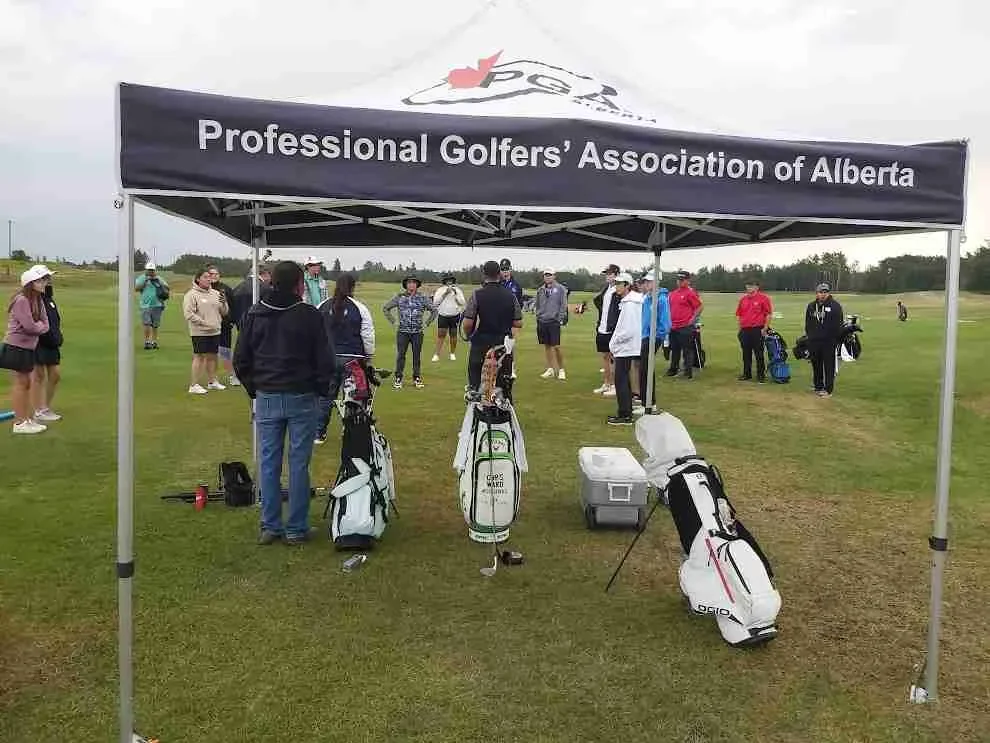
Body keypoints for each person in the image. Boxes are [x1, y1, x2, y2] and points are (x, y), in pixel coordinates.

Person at [233, 260, 336, 545]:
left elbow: (241, 359)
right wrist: (319, 389)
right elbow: (325, 359)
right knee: (299, 463)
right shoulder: (309, 315)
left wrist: (255, 388)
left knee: (269, 462)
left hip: (268, 395)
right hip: (301, 395)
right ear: (299, 285)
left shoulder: (255, 313)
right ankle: (295, 528)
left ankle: (271, 526)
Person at [315, 273, 376, 445]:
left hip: (328, 359)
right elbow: (367, 335)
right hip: (353, 359)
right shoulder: (360, 308)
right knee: (353, 397)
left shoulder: (322, 306)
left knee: (325, 397)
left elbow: (314, 333)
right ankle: (350, 430)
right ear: (352, 287)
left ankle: (319, 432)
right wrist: (369, 356)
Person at [1, 265, 51, 434]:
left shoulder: (38, 300)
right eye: (39, 281)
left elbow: (46, 324)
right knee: (21, 383)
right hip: (16, 346)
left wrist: (39, 327)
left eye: (43, 280)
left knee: (26, 383)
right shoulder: (22, 300)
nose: (43, 283)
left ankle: (25, 419)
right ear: (30, 284)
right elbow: (30, 326)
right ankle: (20, 423)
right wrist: (39, 327)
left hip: (28, 347)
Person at [462, 260, 523, 393]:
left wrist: (469, 336)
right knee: (503, 384)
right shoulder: (511, 296)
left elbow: (468, 323)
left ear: (484, 274)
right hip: (502, 344)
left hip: (481, 343)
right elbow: (518, 322)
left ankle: (475, 397)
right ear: (499, 274)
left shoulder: (477, 294)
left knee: (475, 382)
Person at [383, 275, 436, 389]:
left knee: (416, 356)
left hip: (417, 332)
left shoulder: (422, 298)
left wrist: (427, 323)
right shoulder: (399, 297)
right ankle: (398, 378)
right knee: (401, 355)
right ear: (406, 285)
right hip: (403, 332)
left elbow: (434, 311)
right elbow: (386, 308)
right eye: (409, 282)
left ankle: (416, 377)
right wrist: (393, 321)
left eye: (414, 282)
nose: (411, 285)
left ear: (417, 285)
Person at [182, 268, 228, 394]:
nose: (209, 279)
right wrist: (205, 323)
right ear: (198, 279)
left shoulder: (216, 293)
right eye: (205, 277)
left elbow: (224, 312)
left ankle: (213, 382)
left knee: (213, 356)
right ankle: (194, 385)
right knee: (200, 356)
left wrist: (224, 303)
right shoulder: (191, 295)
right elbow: (189, 314)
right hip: (199, 332)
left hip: (215, 331)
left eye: (210, 277)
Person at [606, 273, 642, 425]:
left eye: (620, 284)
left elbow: (628, 330)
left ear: (627, 285)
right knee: (623, 379)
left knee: (621, 380)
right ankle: (626, 412)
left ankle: (625, 414)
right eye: (616, 284)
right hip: (626, 347)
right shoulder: (629, 301)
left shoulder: (630, 304)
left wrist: (614, 343)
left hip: (626, 347)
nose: (617, 286)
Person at [637, 272, 671, 415]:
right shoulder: (647, 299)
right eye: (645, 281)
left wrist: (657, 336)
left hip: (653, 338)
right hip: (645, 336)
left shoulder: (661, 299)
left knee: (647, 369)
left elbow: (665, 323)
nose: (646, 284)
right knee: (643, 369)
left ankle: (650, 404)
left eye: (649, 281)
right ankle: (645, 402)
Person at [33, 267, 63, 423]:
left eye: (49, 278)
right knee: (38, 376)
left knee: (55, 375)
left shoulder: (49, 298)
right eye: (45, 278)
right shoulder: (34, 299)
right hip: (38, 343)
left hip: (52, 343)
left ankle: (44, 408)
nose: (49, 281)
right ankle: (39, 410)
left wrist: (57, 336)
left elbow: (55, 321)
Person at [805, 282, 844, 398]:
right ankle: (818, 386)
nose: (823, 294)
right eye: (820, 292)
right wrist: (810, 337)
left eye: (825, 292)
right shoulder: (811, 306)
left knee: (829, 366)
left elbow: (839, 325)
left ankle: (828, 390)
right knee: (816, 365)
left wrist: (834, 339)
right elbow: (808, 323)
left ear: (828, 293)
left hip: (829, 342)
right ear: (816, 293)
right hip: (814, 341)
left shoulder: (835, 306)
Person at [665, 270, 703, 380]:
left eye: (682, 280)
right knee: (675, 349)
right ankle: (673, 369)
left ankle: (687, 372)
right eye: (678, 280)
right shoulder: (672, 294)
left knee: (687, 350)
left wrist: (692, 319)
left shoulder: (690, 293)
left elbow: (699, 307)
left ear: (687, 281)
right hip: (673, 326)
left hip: (685, 326)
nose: (680, 282)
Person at [735, 277, 774, 383]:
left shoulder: (763, 298)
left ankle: (761, 375)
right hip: (745, 330)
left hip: (758, 329)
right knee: (746, 353)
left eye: (751, 286)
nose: (749, 288)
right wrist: (740, 329)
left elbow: (768, 314)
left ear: (757, 287)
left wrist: (765, 328)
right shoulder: (743, 300)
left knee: (759, 353)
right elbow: (739, 314)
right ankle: (746, 374)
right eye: (748, 286)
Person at [534, 268, 568, 380]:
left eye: (550, 275)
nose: (547, 277)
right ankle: (550, 369)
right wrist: (538, 315)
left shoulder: (560, 289)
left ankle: (561, 370)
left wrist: (560, 318)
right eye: (546, 275)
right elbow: (537, 304)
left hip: (554, 321)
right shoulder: (540, 290)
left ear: (554, 276)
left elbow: (563, 305)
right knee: (547, 346)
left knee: (556, 346)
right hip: (542, 321)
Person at [207, 265, 239, 386]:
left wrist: (232, 321)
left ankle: (232, 376)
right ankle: (213, 379)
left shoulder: (226, 289)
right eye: (211, 274)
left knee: (225, 352)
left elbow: (234, 306)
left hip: (224, 325)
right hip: (208, 326)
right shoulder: (204, 289)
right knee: (211, 353)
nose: (214, 276)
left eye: (216, 274)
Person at [592, 264, 621, 396]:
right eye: (606, 274)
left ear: (616, 275)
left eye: (610, 274)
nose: (607, 276)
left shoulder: (618, 290)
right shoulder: (606, 289)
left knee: (614, 358)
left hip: (612, 329)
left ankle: (615, 385)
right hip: (602, 328)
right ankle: (607, 383)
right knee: (605, 357)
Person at [134, 261, 169, 350]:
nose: (150, 272)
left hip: (158, 304)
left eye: (152, 270)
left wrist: (158, 282)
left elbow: (167, 287)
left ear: (155, 270)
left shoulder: (159, 278)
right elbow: (136, 288)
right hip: (145, 305)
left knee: (155, 325)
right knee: (147, 324)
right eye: (149, 270)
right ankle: (147, 342)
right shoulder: (142, 278)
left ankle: (154, 342)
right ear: (146, 270)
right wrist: (146, 280)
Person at [431, 273, 465, 362]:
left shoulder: (457, 290)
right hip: (443, 315)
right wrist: (445, 293)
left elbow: (462, 302)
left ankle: (452, 353)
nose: (449, 282)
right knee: (441, 335)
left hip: (455, 315)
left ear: (453, 281)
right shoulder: (440, 290)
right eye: (447, 280)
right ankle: (437, 354)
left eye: (451, 280)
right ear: (445, 281)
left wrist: (456, 294)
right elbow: (435, 303)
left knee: (453, 335)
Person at [230, 264, 272, 332]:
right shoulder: (266, 288)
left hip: (241, 327)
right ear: (265, 273)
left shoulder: (237, 288)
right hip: (261, 329)